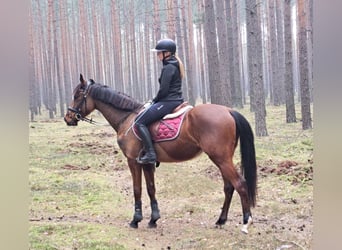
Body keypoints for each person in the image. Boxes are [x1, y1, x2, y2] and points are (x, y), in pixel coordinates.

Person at [135, 38, 185, 164]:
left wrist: (154, 101)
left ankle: (151, 154)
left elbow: (163, 90)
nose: (157, 55)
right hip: (174, 100)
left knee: (139, 122)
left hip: (168, 101)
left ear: (167, 53)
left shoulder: (168, 68)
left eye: (159, 52)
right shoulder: (174, 64)